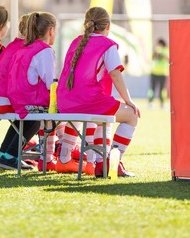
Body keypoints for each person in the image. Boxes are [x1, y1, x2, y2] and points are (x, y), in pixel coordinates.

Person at [57, 7, 140, 178]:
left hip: (66, 102)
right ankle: (112, 163)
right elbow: (115, 75)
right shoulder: (107, 45)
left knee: (104, 118)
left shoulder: (76, 42)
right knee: (132, 115)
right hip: (88, 102)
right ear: (107, 26)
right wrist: (129, 101)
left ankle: (100, 164)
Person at [0, 11, 58, 170]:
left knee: (23, 121)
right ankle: (52, 156)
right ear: (50, 31)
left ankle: (2, 154)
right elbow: (50, 83)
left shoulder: (24, 48)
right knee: (38, 119)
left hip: (18, 99)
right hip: (31, 100)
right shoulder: (45, 50)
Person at [148, 38, 169, 109]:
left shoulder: (164, 50)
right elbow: (153, 57)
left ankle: (161, 103)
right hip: (156, 72)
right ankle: (151, 102)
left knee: (161, 89)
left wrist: (158, 53)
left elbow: (165, 57)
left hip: (162, 73)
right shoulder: (157, 50)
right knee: (153, 89)